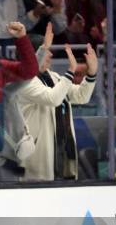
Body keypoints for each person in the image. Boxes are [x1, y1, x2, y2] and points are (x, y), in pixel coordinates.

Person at [14, 43, 98, 180]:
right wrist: (71, 71)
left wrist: (92, 73)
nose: (51, 55)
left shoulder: (54, 77)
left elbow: (81, 96)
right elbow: (52, 98)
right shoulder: (24, 80)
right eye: (47, 51)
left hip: (62, 150)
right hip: (38, 156)